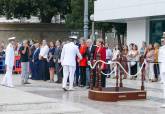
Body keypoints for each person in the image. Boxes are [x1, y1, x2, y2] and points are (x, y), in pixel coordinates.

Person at [159, 32, 165, 107]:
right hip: (162, 68)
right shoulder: (161, 48)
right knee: (164, 85)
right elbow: (160, 60)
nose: (163, 40)